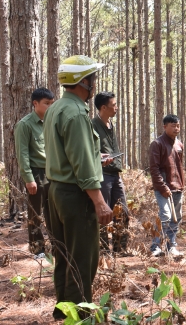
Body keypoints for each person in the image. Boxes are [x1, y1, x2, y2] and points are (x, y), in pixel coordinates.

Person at [44, 55, 113, 320]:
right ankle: (80, 316)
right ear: (83, 81)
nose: (94, 83)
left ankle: (63, 312)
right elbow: (82, 164)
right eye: (92, 78)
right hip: (76, 196)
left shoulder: (56, 108)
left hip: (56, 192)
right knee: (82, 260)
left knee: (63, 255)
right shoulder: (75, 113)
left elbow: (68, 153)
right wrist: (98, 201)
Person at [14, 87, 55, 259]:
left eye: (51, 104)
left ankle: (57, 245)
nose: (49, 107)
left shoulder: (51, 122)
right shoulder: (25, 125)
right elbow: (22, 154)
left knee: (54, 212)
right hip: (36, 174)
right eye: (46, 104)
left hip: (53, 173)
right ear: (35, 103)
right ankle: (37, 249)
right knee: (35, 213)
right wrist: (29, 178)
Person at [91, 91, 130, 256]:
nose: (116, 108)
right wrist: (99, 157)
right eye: (113, 105)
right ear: (103, 107)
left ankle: (121, 249)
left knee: (122, 211)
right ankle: (103, 250)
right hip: (102, 175)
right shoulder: (92, 125)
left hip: (115, 174)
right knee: (103, 213)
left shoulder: (110, 125)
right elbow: (89, 149)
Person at [149, 114, 185, 258]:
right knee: (165, 216)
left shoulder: (179, 144)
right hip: (163, 188)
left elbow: (179, 166)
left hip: (178, 188)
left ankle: (171, 246)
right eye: (173, 125)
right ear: (165, 127)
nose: (176, 128)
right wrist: (162, 187)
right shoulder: (157, 144)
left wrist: (182, 185)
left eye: (178, 125)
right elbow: (154, 169)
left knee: (177, 218)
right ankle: (155, 246)